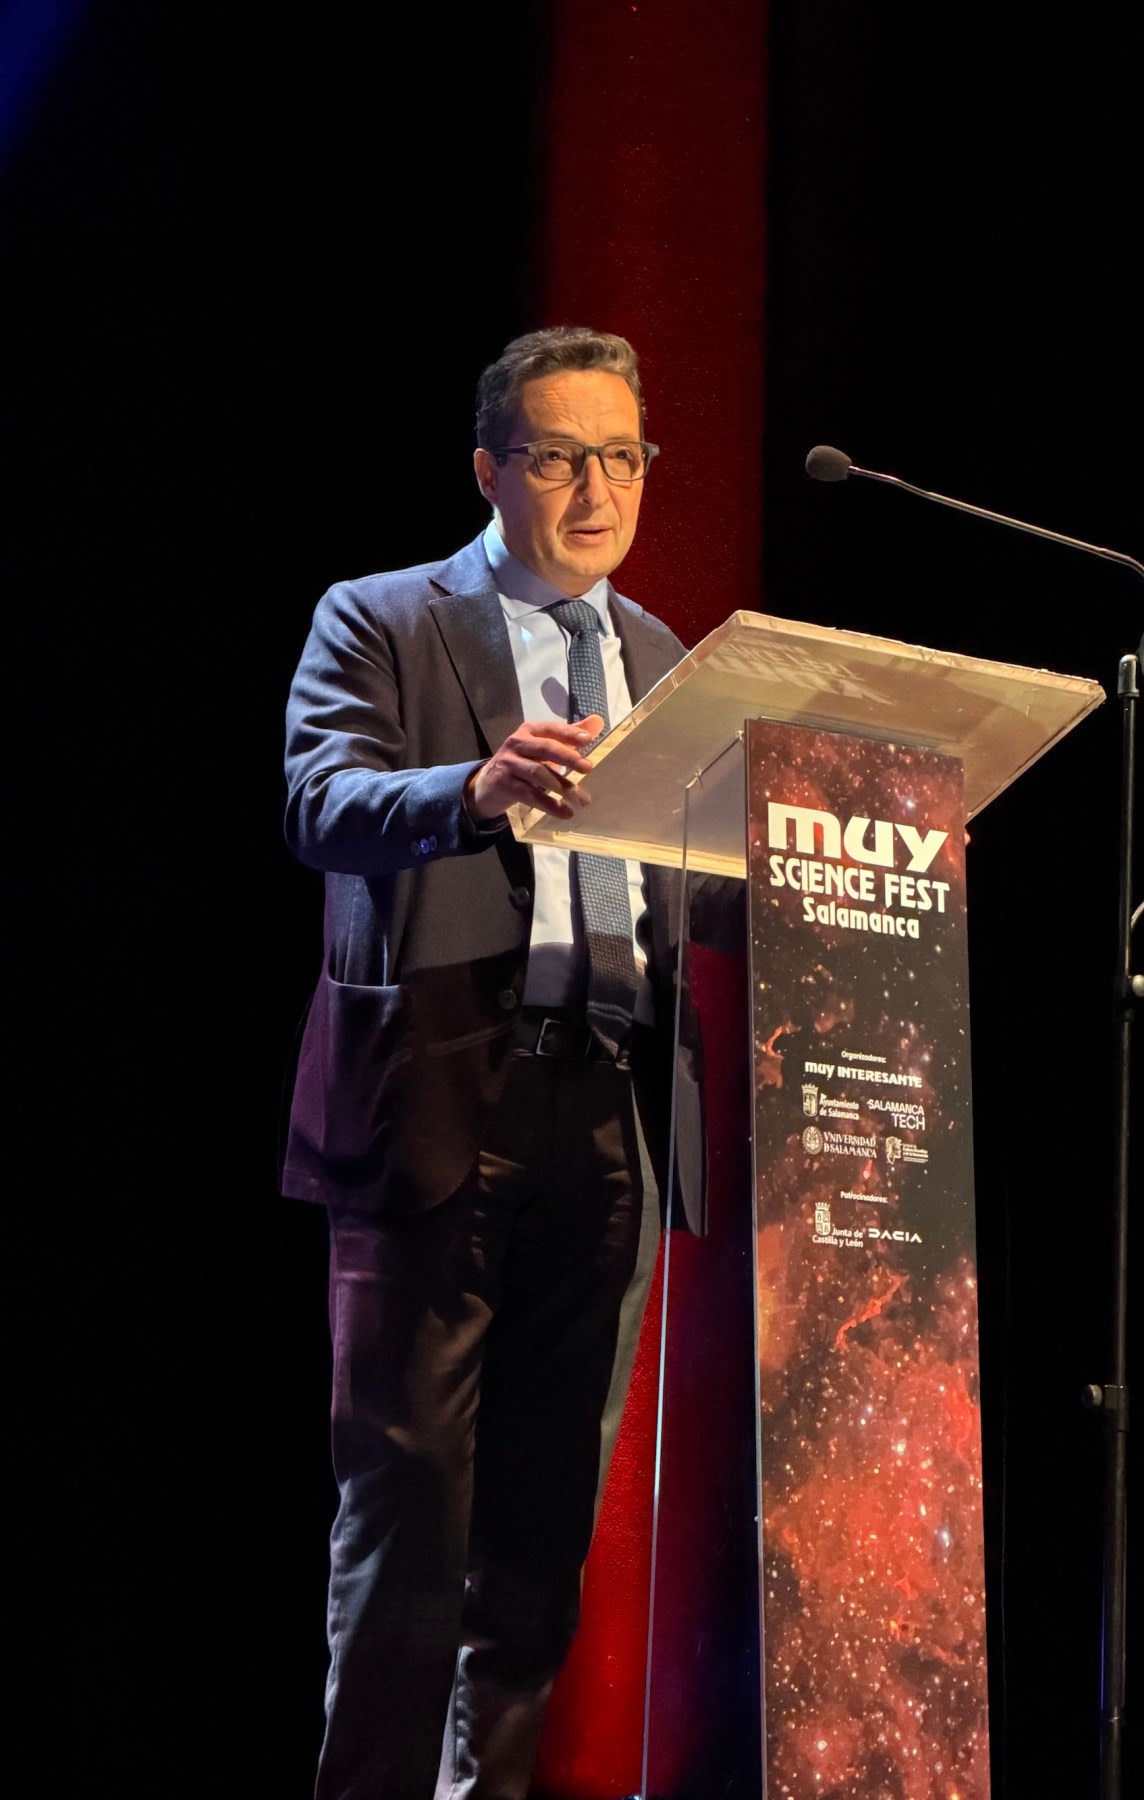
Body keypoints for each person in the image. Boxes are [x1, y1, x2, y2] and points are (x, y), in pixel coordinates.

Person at [282, 325, 742, 1800]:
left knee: (542, 1538)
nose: (596, 487)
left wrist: (863, 846)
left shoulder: (668, 660)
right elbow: (323, 801)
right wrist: (469, 790)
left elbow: (697, 887)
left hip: (602, 1110)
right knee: (408, 1521)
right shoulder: (384, 619)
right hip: (434, 1097)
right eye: (558, 456)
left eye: (621, 456)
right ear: (492, 468)